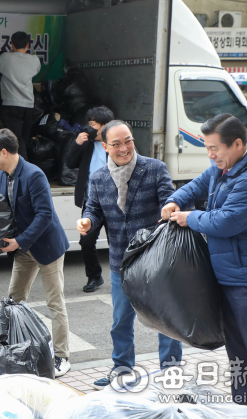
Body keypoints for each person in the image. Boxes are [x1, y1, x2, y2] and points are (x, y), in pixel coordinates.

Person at [161, 114, 247, 418]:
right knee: (238, 350)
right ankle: (245, 408)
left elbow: (227, 221)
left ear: (237, 143)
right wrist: (175, 199)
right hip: (230, 271)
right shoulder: (226, 165)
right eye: (206, 148)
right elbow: (198, 184)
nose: (210, 154)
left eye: (214, 148)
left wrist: (188, 217)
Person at [77, 120, 182, 388]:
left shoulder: (154, 168)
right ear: (105, 147)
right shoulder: (99, 178)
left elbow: (169, 196)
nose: (124, 148)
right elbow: (94, 209)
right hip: (120, 262)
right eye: (117, 143)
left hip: (154, 260)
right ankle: (122, 368)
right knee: (121, 319)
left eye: (129, 141)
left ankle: (170, 371)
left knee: (166, 320)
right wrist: (88, 221)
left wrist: (170, 205)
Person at [0, 128, 72, 377]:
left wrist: (19, 241)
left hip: (47, 247)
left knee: (55, 303)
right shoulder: (3, 175)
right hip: (23, 248)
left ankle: (62, 356)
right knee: (13, 300)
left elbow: (45, 215)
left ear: (4, 151)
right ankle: (14, 349)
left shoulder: (34, 175)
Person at [66, 106, 114, 293]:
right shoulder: (86, 144)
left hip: (114, 202)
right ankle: (94, 276)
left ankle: (126, 276)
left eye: (93, 124)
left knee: (117, 241)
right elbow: (69, 163)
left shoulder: (117, 144)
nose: (89, 128)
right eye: (89, 124)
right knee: (86, 241)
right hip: (92, 202)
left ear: (105, 126)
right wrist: (76, 143)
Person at [0, 31, 42, 159]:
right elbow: (36, 71)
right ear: (28, 45)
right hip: (28, 106)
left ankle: (20, 168)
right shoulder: (34, 60)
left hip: (10, 105)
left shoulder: (5, 58)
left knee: (15, 141)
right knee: (23, 139)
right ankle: (22, 168)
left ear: (11, 44)